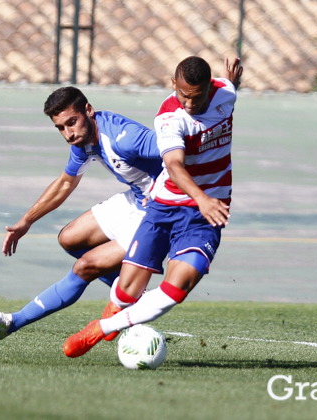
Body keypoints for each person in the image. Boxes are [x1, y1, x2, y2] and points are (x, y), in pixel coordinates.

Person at [63, 56, 243, 357]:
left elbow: (228, 87)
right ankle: (118, 307)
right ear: (173, 85)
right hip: (164, 208)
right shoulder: (169, 118)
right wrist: (201, 197)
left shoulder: (225, 93)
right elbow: (173, 165)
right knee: (127, 290)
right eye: (182, 94)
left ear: (210, 90)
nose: (188, 103)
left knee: (177, 288)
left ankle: (101, 328)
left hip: (203, 217)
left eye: (196, 97)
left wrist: (232, 79)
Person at [0, 86, 162, 341]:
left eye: (71, 123)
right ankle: (132, 296)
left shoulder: (124, 138)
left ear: (88, 110)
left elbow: (178, 147)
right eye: (61, 128)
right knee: (70, 238)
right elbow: (66, 182)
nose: (68, 133)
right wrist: (26, 221)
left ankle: (11, 323)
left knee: (85, 266)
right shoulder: (84, 140)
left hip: (162, 211)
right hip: (138, 198)